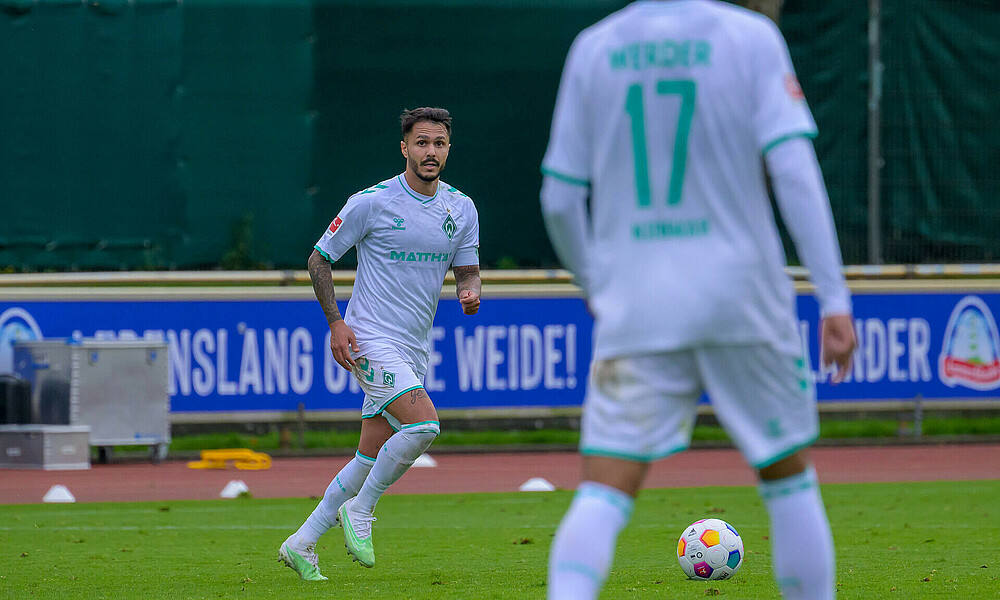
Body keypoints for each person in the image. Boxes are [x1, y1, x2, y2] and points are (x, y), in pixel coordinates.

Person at [539, 2, 857, 599]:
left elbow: (559, 198)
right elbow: (793, 168)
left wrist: (596, 285)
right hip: (744, 299)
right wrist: (833, 298)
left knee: (603, 493)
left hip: (638, 305)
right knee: (788, 480)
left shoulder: (595, 47)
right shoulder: (750, 36)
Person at [279, 107, 481, 579]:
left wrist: (470, 291)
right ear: (405, 148)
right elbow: (318, 259)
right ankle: (362, 511)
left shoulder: (461, 208)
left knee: (367, 457)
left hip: (413, 347)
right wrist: (336, 323)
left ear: (448, 149)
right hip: (369, 337)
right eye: (422, 143)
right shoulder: (371, 202)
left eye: (440, 144)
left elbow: (467, 269)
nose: (431, 152)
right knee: (425, 427)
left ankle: (303, 542)